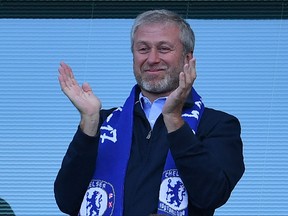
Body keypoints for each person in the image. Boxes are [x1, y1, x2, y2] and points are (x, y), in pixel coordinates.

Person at [54, 9, 245, 216]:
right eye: (143, 49)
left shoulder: (218, 124)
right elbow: (68, 201)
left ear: (187, 58)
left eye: (164, 48)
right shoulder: (103, 123)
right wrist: (89, 122)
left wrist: (173, 119)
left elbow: (211, 194)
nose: (152, 59)